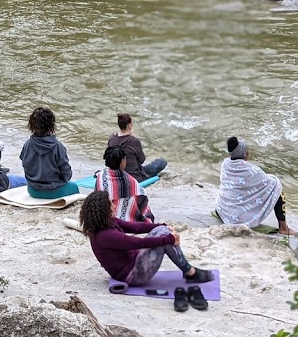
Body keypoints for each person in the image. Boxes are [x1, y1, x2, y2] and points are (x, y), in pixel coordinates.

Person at [80, 190, 212, 311]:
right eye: (110, 205)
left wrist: (162, 226)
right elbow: (138, 243)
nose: (114, 207)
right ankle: (190, 272)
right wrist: (170, 240)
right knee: (164, 239)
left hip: (134, 261)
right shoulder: (106, 235)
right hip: (133, 275)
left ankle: (189, 271)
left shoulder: (107, 223)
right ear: (102, 211)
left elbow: (135, 227)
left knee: (162, 231)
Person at [216, 136, 295, 235]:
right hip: (237, 219)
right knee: (277, 188)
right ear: (245, 154)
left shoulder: (225, 164)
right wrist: (273, 177)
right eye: (248, 150)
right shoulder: (252, 170)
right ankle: (283, 228)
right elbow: (272, 184)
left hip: (223, 210)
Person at [20, 106, 80, 199]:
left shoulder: (27, 145)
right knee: (74, 187)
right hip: (54, 191)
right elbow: (66, 172)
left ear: (31, 125)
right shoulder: (57, 146)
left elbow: (25, 164)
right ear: (51, 125)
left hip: (33, 190)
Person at [96, 146, 154, 222]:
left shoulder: (100, 177)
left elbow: (96, 198)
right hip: (125, 221)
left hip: (105, 219)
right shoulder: (130, 181)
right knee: (147, 211)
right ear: (122, 162)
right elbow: (142, 198)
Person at [108, 113, 167, 182]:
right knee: (161, 162)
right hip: (134, 176)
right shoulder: (134, 141)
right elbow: (142, 160)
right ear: (129, 125)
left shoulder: (112, 138)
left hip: (115, 173)